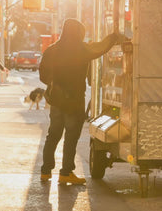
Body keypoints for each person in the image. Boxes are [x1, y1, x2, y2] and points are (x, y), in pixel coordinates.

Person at [39, 18, 121, 184]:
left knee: (53, 134)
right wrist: (114, 36)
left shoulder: (52, 50)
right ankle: (65, 173)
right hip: (74, 101)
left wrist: (54, 83)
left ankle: (46, 171)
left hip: (56, 100)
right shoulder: (82, 49)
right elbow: (102, 47)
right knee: (71, 137)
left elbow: (43, 75)